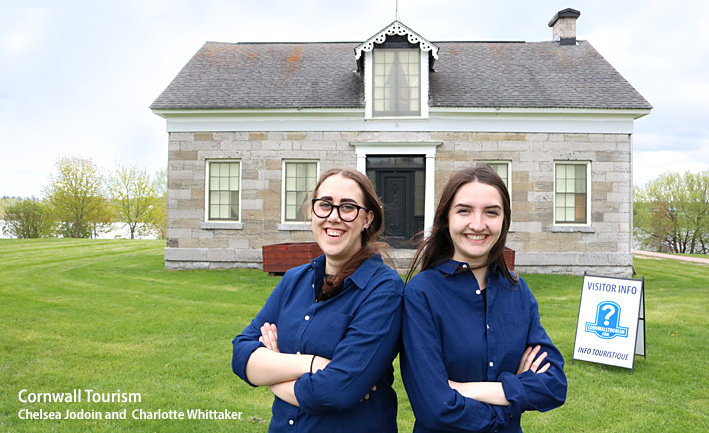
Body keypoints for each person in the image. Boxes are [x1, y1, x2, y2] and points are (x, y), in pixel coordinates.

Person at [232, 168, 403, 432]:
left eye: (348, 207)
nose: (333, 217)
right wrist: (312, 364)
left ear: (367, 218)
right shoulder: (294, 280)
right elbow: (242, 354)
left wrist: (272, 375)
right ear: (312, 212)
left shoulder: (383, 290)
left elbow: (336, 391)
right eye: (325, 205)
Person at [400, 164, 567, 432]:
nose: (478, 224)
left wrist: (465, 390)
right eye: (464, 210)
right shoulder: (421, 294)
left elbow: (554, 385)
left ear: (504, 221)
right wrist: (512, 403)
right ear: (446, 219)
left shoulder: (518, 291)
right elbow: (435, 407)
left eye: (491, 212)